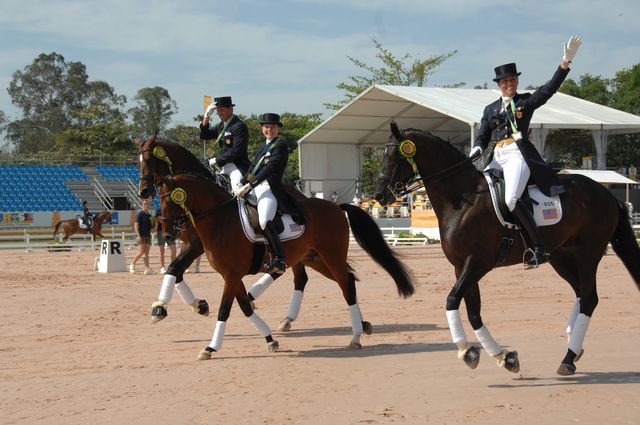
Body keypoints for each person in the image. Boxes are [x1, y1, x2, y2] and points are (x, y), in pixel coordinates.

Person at [470, 35, 582, 268]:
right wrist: (478, 146)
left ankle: (538, 248)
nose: (510, 84)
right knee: (482, 197)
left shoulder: (524, 102)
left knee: (511, 199)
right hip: (496, 157)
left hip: (517, 155)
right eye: (505, 81)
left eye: (513, 80)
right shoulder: (490, 109)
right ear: (499, 84)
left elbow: (548, 90)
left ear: (516, 82)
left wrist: (565, 64)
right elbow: (483, 134)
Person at [234, 113, 304, 274]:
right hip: (254, 188)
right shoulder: (261, 147)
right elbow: (253, 169)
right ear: (262, 129)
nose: (269, 130)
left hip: (269, 188)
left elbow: (269, 169)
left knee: (264, 220)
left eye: (272, 127)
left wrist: (250, 185)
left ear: (278, 129)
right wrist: (242, 182)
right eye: (266, 127)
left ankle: (280, 259)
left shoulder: (280, 146)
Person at [200, 96, 251, 190]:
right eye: (218, 111)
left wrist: (217, 160)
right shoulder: (221, 126)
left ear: (231, 109)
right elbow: (205, 135)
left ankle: (243, 205)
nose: (219, 113)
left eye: (222, 110)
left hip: (237, 166)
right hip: (224, 167)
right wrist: (206, 115)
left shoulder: (239, 126)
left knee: (237, 191)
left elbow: (237, 151)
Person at [130, 200, 154, 275]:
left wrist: (155, 226)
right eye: (144, 204)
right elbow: (136, 225)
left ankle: (147, 268)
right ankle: (132, 264)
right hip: (141, 236)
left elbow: (152, 228)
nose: (146, 205)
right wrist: (138, 235)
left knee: (146, 253)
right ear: (141, 205)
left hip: (148, 235)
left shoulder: (150, 216)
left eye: (147, 204)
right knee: (141, 252)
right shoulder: (140, 214)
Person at [154, 206, 176, 275]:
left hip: (169, 231)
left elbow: (172, 220)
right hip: (161, 231)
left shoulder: (171, 209)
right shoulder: (158, 209)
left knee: (174, 249)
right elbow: (159, 220)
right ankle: (162, 267)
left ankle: (173, 266)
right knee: (161, 251)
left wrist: (165, 219)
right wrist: (167, 220)